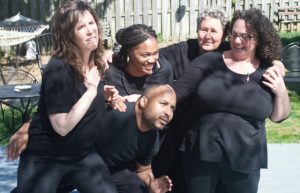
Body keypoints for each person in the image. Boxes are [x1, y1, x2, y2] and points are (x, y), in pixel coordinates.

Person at [171, 8, 291, 193]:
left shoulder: (268, 71)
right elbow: (176, 91)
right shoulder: (210, 61)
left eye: (245, 36)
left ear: (259, 38)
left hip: (245, 158)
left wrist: (281, 90)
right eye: (234, 35)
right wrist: (144, 97)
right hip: (201, 153)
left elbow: (279, 117)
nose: (237, 41)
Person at [15, 1, 118, 193]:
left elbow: (78, 96)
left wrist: (103, 95)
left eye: (91, 23)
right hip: (46, 156)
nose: (90, 30)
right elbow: (62, 126)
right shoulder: (58, 69)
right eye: (80, 27)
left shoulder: (96, 63)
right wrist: (91, 92)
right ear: (69, 35)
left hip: (82, 154)